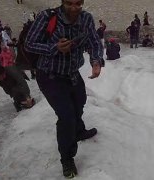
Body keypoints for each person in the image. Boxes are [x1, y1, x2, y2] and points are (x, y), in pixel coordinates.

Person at [24, 0, 104, 178]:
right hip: (50, 76)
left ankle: (78, 130)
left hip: (73, 74)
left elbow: (94, 42)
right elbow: (29, 44)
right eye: (69, 3)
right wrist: (54, 47)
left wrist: (96, 61)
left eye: (78, 3)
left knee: (80, 103)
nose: (74, 8)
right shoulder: (47, 17)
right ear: (62, 2)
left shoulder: (86, 19)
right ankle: (67, 158)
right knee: (66, 116)